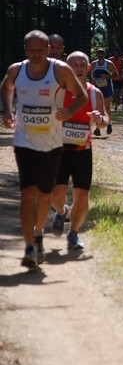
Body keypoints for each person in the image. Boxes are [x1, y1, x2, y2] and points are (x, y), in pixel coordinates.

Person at [0, 30, 88, 269]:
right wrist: (7, 111)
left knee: (43, 194)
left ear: (49, 49)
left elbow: (81, 95)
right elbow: (6, 87)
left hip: (51, 143)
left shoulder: (60, 70)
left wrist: (68, 112)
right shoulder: (16, 70)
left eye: (41, 50)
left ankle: (39, 234)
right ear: (25, 49)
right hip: (24, 141)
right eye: (32, 50)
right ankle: (29, 246)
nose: (36, 54)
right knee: (28, 193)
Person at [51, 51, 108, 250]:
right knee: (55, 196)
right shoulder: (57, 91)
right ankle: (61, 211)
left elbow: (105, 119)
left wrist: (100, 120)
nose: (79, 68)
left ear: (89, 67)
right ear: (67, 68)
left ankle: (73, 233)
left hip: (83, 151)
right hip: (58, 151)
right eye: (73, 65)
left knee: (82, 196)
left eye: (82, 64)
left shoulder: (94, 93)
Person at [89, 48, 117, 135]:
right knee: (97, 108)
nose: (100, 55)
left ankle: (109, 124)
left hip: (107, 88)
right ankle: (97, 128)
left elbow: (116, 75)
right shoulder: (93, 64)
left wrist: (107, 77)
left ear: (105, 54)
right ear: (97, 54)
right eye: (99, 53)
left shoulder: (109, 64)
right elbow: (89, 74)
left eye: (102, 53)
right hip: (97, 89)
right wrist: (92, 80)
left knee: (107, 108)